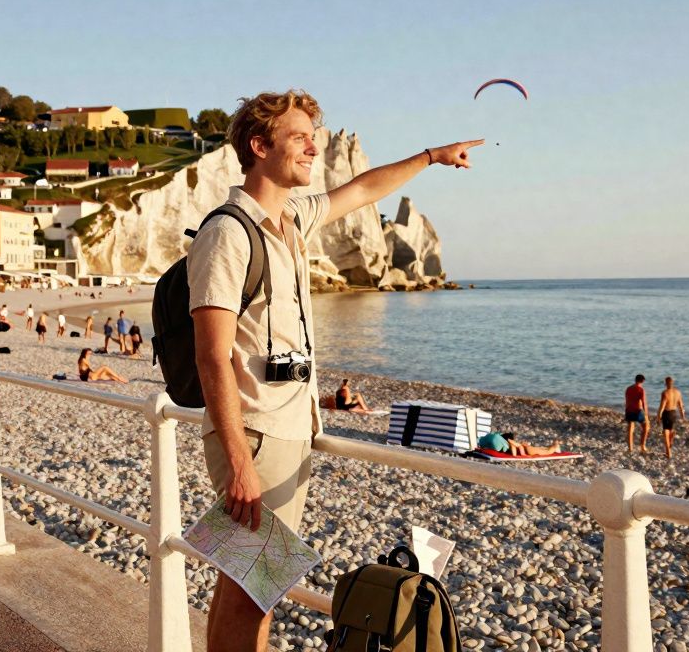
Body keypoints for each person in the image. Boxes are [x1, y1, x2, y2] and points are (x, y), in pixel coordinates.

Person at [189, 89, 481, 649]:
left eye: (314, 136)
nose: (313, 146)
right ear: (259, 146)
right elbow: (212, 355)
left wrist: (431, 157)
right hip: (255, 434)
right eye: (299, 137)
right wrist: (238, 462)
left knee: (248, 583)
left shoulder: (292, 217)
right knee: (255, 588)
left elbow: (364, 188)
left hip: (285, 428)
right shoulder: (228, 232)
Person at [658, 376, 687, 459]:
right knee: (671, 430)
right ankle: (670, 443)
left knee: (665, 432)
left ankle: (668, 452)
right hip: (674, 413)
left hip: (667, 413)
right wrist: (683, 416)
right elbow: (681, 405)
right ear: (673, 383)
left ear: (666, 383)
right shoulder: (678, 392)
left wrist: (658, 416)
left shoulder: (665, 393)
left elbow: (662, 406)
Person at [478, 431, 563, 457]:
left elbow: (516, 449)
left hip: (528, 450)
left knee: (546, 450)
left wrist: (521, 452)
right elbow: (517, 448)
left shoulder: (508, 445)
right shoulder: (509, 443)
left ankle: (556, 446)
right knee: (547, 451)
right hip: (528, 450)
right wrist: (522, 454)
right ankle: (556, 445)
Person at [624, 374, 649, 453]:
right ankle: (642, 446)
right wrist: (646, 415)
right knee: (646, 427)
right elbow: (644, 403)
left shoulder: (628, 388)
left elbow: (627, 400)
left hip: (629, 410)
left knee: (630, 429)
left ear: (635, 380)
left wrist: (627, 410)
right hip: (638, 411)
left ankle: (630, 448)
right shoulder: (641, 390)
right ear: (642, 381)